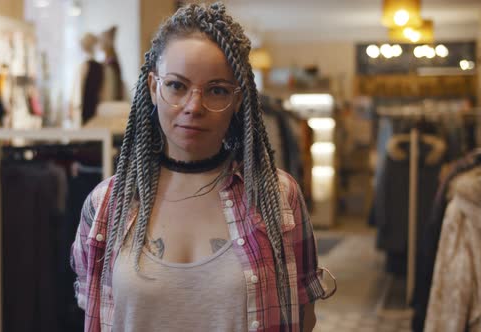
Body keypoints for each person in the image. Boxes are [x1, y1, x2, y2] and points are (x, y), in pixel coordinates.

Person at [71, 3, 334, 331]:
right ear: (154, 88)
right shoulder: (105, 205)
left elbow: (302, 317)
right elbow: (95, 316)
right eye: (177, 86)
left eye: (217, 90)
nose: (194, 107)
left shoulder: (278, 197)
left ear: (238, 100)